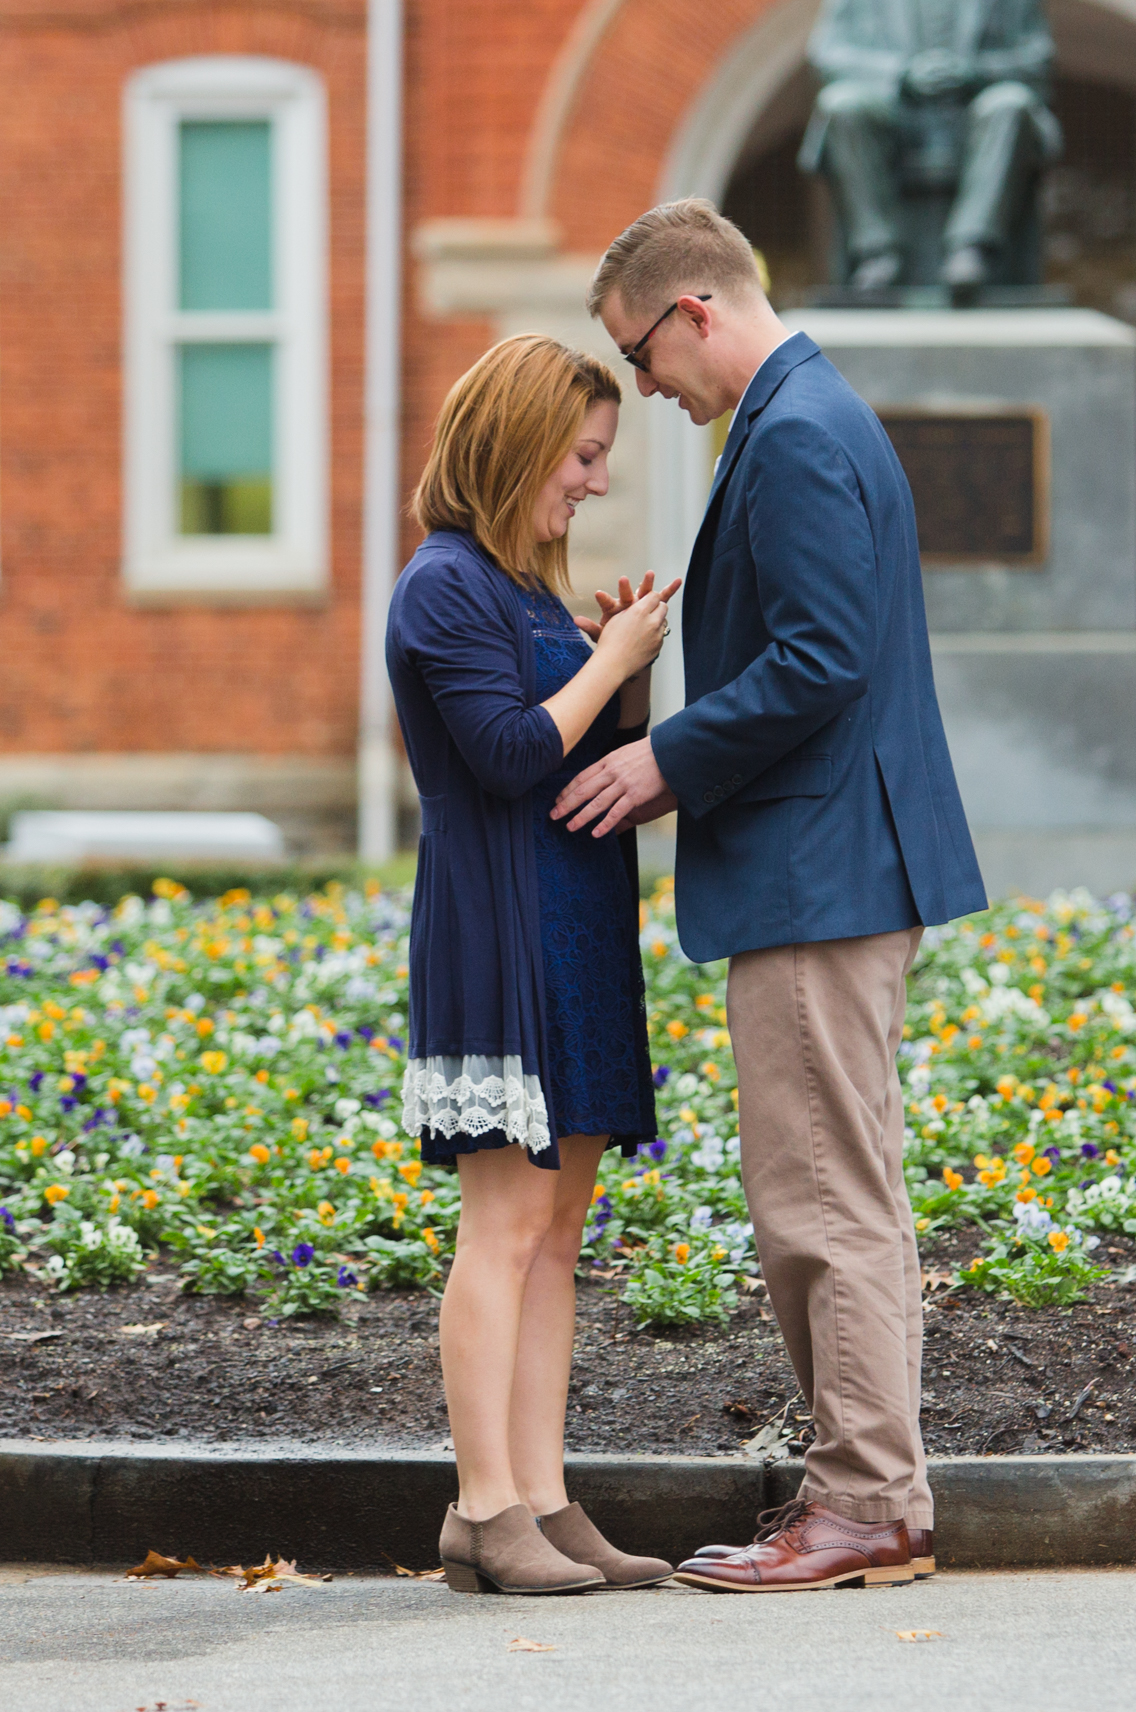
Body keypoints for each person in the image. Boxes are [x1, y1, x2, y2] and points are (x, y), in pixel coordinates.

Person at [552, 198, 988, 1593]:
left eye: (638, 356)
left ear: (694, 312)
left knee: (819, 1200)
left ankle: (861, 1505)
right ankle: (879, 1497)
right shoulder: (816, 414)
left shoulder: (793, 434)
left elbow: (819, 665)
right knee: (845, 1187)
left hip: (816, 871)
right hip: (842, 859)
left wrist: (661, 762)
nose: (643, 391)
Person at [387, 334, 681, 1596]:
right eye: (583, 455)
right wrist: (608, 665)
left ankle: (546, 1501)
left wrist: (626, 682)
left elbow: (577, 767)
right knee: (503, 1223)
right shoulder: (443, 585)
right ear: (515, 445)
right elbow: (509, 758)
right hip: (495, 931)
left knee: (560, 1227)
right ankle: (482, 1506)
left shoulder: (523, 591)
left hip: (573, 927)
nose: (595, 484)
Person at [798, 0, 1061, 291]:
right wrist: (901, 76)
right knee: (843, 105)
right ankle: (877, 252)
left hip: (977, 122)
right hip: (894, 119)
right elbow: (830, 53)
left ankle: (971, 248)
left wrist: (976, 75)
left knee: (1012, 103)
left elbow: (1037, 60)